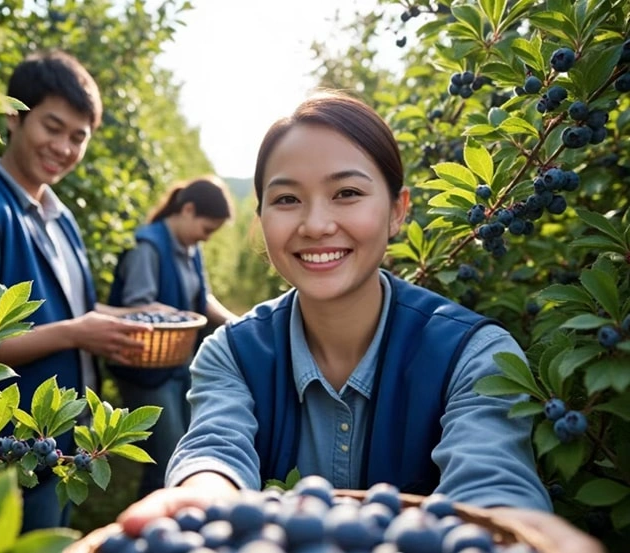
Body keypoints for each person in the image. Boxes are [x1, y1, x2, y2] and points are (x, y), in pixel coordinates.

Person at [109, 91, 605, 553]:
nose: (316, 224)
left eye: (346, 192)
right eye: (286, 199)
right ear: (259, 222)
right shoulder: (232, 354)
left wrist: (510, 522)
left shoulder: (472, 355)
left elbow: (491, 485)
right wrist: (200, 497)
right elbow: (215, 449)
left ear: (397, 211)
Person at [0, 50, 154, 531]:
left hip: (60, 453)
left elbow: (71, 308)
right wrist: (76, 334)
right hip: (3, 460)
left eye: (79, 137)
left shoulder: (59, 216)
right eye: (52, 127)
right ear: (13, 117)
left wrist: (133, 314)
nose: (65, 148)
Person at [106, 176, 237, 498]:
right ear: (188, 210)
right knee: (166, 459)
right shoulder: (146, 247)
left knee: (186, 447)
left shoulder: (190, 249)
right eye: (207, 229)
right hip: (144, 364)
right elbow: (140, 310)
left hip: (177, 361)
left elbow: (201, 298)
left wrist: (237, 322)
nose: (206, 239)